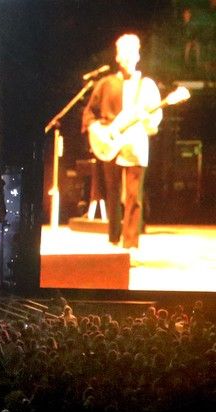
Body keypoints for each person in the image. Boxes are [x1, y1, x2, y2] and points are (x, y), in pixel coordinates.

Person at [82, 33, 162, 250]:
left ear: (138, 56)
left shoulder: (147, 86)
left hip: (136, 145)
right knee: (113, 192)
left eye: (131, 52)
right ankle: (114, 239)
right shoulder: (105, 83)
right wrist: (97, 129)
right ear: (117, 57)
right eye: (122, 53)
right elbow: (89, 113)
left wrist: (148, 121)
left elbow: (155, 121)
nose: (126, 57)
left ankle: (131, 243)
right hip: (111, 143)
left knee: (134, 196)